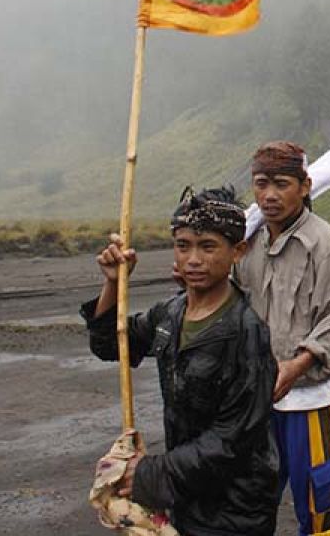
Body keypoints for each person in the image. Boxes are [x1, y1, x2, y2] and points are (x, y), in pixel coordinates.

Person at [82, 188, 279, 536]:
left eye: (208, 247)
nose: (193, 260)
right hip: (185, 496)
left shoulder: (247, 334)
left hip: (236, 508)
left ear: (238, 251)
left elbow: (231, 441)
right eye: (183, 245)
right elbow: (111, 344)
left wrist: (147, 474)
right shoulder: (169, 315)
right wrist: (113, 283)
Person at [234, 141, 330, 536]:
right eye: (261, 184)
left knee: (321, 502)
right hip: (255, 399)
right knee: (251, 498)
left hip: (309, 402)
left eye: (281, 184)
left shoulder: (325, 245)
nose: (269, 195)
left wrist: (296, 365)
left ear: (304, 186)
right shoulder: (247, 244)